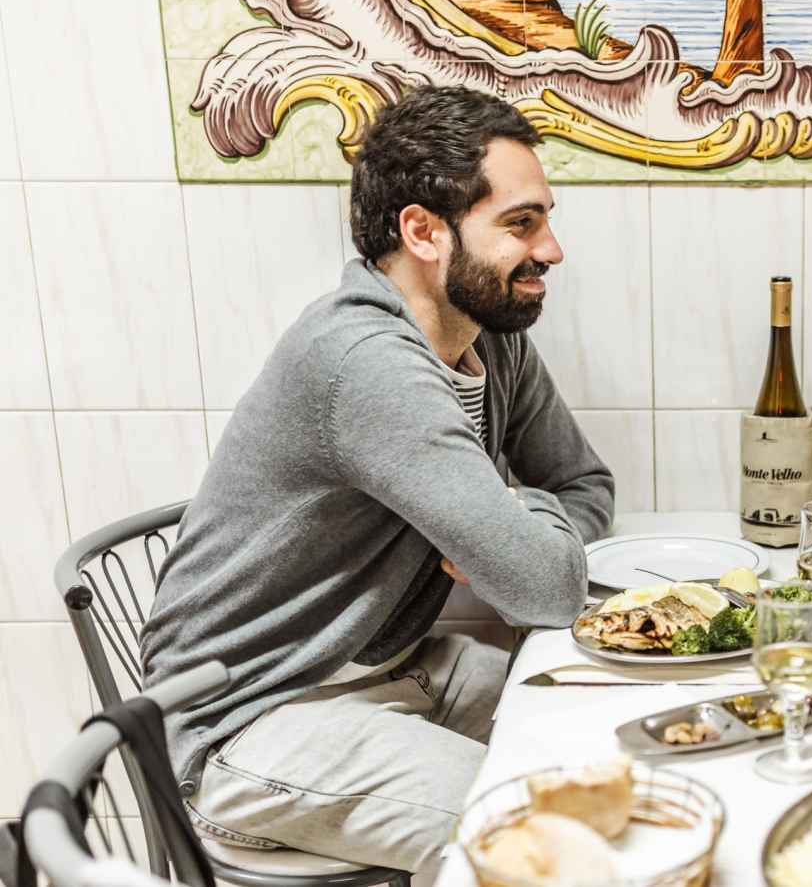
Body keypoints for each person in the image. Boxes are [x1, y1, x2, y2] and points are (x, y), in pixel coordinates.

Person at [140, 85, 614, 873]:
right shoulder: (365, 364)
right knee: (540, 843)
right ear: (423, 232)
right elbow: (545, 589)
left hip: (379, 668)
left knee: (609, 727)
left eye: (546, 219)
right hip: (245, 717)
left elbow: (584, 486)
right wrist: (522, 536)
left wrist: (515, 511)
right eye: (521, 223)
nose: (551, 250)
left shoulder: (489, 340)